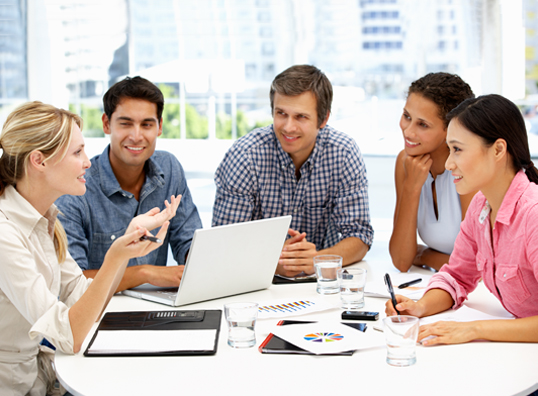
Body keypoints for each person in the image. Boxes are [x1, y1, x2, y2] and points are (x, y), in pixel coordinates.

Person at [0, 102, 179, 396]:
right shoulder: (5, 234)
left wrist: (128, 242)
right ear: (38, 161)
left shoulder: (46, 219)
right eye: (77, 152)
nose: (88, 162)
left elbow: (83, 297)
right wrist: (116, 256)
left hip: (35, 380)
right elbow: (67, 336)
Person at [385, 94, 538, 349]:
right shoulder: (481, 205)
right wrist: (420, 306)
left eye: (457, 149)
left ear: (498, 150)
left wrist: (473, 329)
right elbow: (456, 276)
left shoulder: (533, 214)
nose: (448, 163)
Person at [212, 65, 374, 277]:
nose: (288, 127)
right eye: (281, 113)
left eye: (300, 117)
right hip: (253, 281)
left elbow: (359, 236)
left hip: (322, 282)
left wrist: (317, 260)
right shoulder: (245, 156)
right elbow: (224, 243)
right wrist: (272, 262)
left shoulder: (343, 153)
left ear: (323, 119)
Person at [56, 76, 202, 292]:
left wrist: (198, 265)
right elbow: (72, 282)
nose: (136, 136)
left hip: (157, 307)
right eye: (125, 124)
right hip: (98, 313)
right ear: (106, 124)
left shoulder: (169, 168)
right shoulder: (76, 186)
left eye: (146, 124)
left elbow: (189, 241)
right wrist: (145, 273)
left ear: (160, 127)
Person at [389, 72, 476, 272]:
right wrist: (411, 187)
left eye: (423, 124)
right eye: (407, 116)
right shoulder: (405, 162)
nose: (408, 131)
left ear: (451, 129)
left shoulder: (469, 168)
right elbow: (402, 261)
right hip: (440, 283)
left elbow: (476, 267)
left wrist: (424, 255)